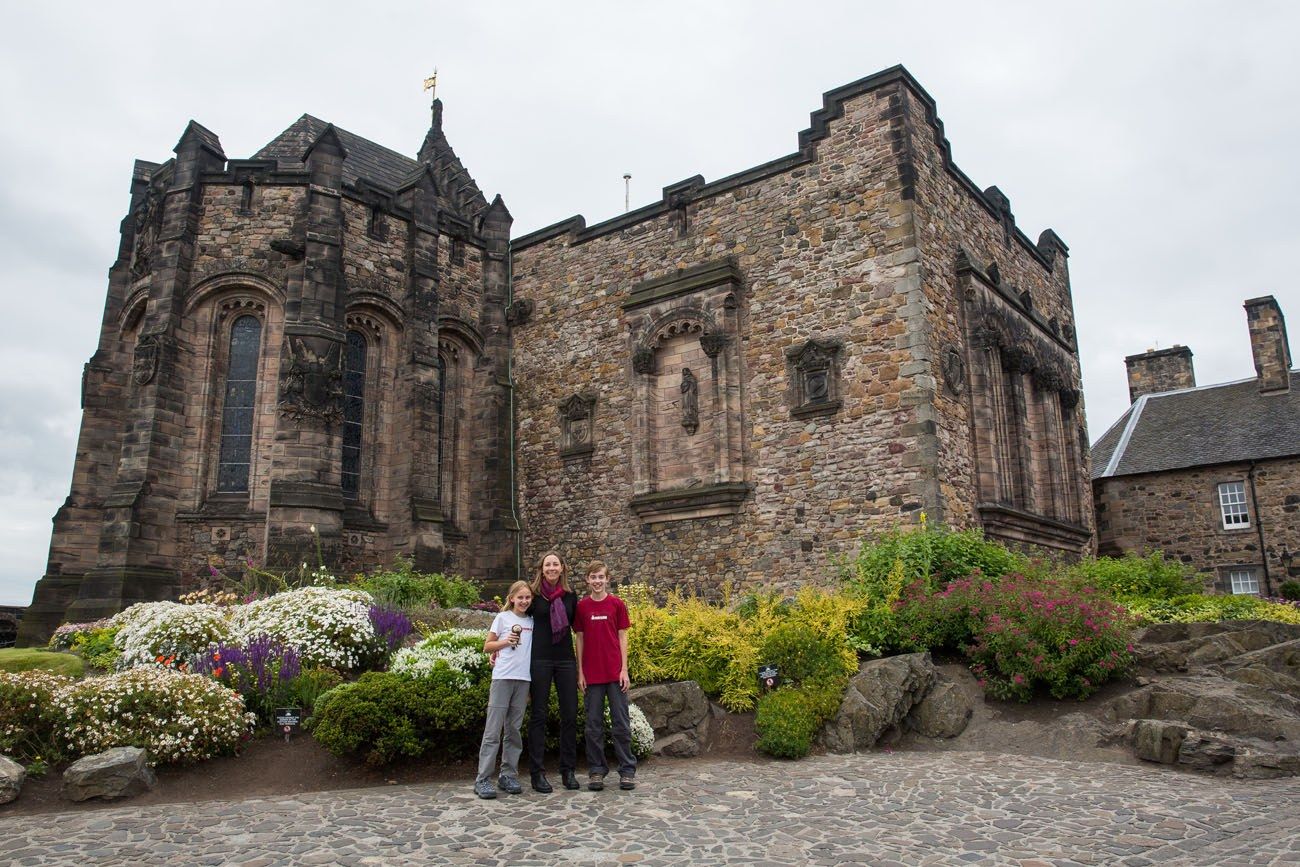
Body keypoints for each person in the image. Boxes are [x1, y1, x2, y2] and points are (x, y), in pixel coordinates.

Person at [573, 560, 636, 791]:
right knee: (593, 726)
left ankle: (627, 770)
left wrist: (624, 670)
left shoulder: (617, 604)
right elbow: (579, 639)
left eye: (601, 577)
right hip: (591, 676)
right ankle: (596, 770)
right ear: (587, 580)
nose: (597, 581)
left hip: (614, 674)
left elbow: (622, 637)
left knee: (621, 724)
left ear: (607, 579)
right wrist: (580, 671)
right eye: (593, 577)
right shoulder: (582, 607)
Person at [474, 580, 534, 800]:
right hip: (502, 678)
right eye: (520, 597)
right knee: (493, 731)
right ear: (512, 599)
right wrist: (503, 643)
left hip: (523, 679)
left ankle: (508, 774)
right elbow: (487, 646)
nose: (524, 601)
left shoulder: (532, 621)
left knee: (513, 731)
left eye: (527, 597)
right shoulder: (502, 618)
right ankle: (483, 779)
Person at [526, 550, 580, 793]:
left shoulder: (570, 596)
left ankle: (567, 769)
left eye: (555, 564)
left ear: (562, 568)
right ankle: (537, 773)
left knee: (569, 714)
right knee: (539, 716)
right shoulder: (533, 597)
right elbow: (515, 620)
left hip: (565, 661)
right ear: (541, 569)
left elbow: (580, 631)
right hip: (540, 660)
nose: (551, 568)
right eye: (547, 564)